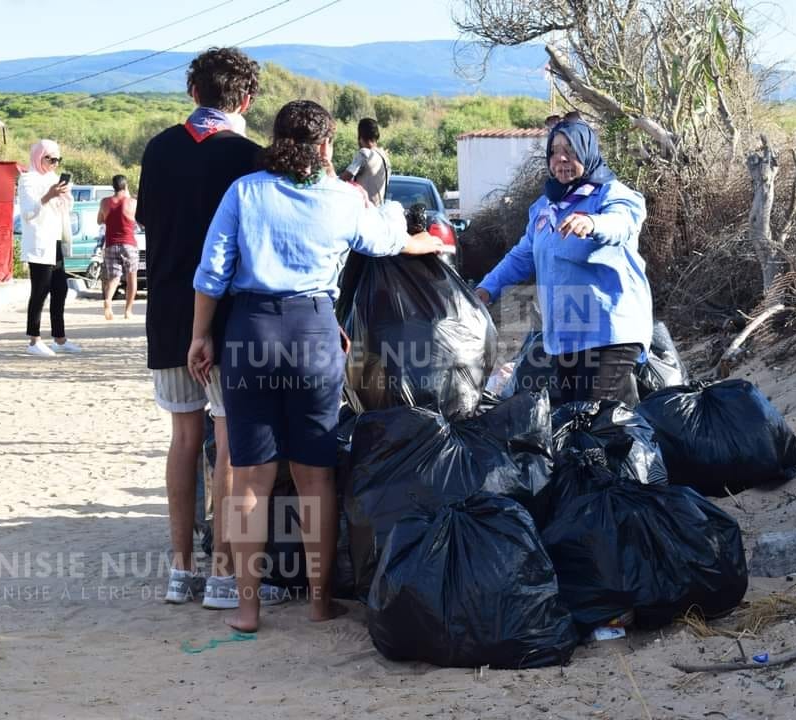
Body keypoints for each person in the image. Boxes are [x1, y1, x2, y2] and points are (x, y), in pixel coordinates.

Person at [188, 100, 447, 632]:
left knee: (251, 478)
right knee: (315, 477)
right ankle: (320, 601)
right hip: (314, 332)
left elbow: (211, 273)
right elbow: (388, 241)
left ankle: (246, 608)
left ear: (277, 140)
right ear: (327, 146)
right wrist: (428, 241)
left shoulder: (245, 192)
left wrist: (199, 336)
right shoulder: (343, 199)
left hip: (250, 330)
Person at [136, 46, 282, 610]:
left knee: (183, 437)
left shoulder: (158, 149)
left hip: (168, 311)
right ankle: (224, 571)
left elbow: (151, 220)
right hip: (226, 317)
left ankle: (180, 570)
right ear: (245, 99)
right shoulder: (249, 157)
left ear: (193, 92)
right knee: (227, 441)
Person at [474, 118, 653, 406]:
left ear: (588, 152)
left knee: (595, 415)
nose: (561, 159)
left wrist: (593, 223)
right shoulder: (545, 208)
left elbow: (622, 224)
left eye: (570, 150)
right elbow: (522, 256)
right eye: (555, 151)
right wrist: (486, 289)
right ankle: (634, 444)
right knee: (575, 417)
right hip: (568, 333)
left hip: (611, 331)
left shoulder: (614, 195)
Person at [18, 139, 82, 357]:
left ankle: (59, 338)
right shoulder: (28, 179)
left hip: (55, 240)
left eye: (58, 159)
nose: (55, 163)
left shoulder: (54, 179)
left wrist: (64, 195)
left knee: (60, 289)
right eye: (50, 158)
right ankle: (34, 339)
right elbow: (27, 212)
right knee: (40, 290)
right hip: (39, 242)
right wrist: (48, 195)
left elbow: (65, 209)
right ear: (39, 157)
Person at [97, 175, 139, 321]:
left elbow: (99, 221)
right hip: (129, 243)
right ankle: (128, 311)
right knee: (131, 277)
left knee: (114, 278)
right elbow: (141, 221)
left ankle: (108, 300)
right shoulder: (132, 203)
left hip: (110, 244)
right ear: (126, 186)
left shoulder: (105, 202)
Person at [339, 117, 389, 206]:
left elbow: (343, 179)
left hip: (364, 210)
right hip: (379, 209)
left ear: (360, 136)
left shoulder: (364, 154)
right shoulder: (384, 157)